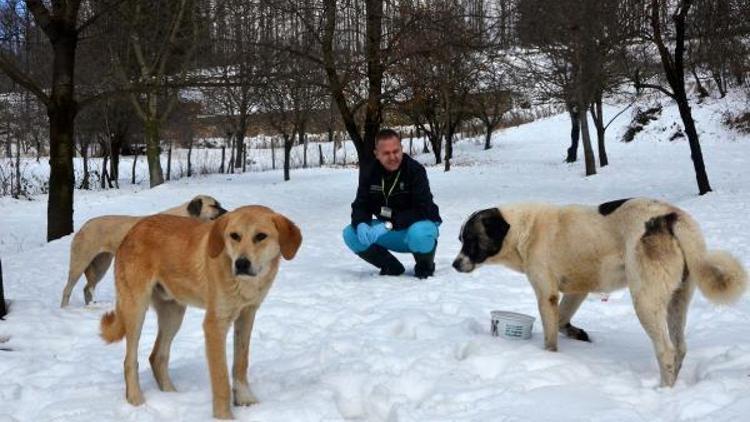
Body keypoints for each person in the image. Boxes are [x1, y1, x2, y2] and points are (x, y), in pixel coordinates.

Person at [342, 128, 441, 278]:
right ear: (377, 154)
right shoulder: (369, 172)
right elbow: (360, 205)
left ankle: (424, 267)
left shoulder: (415, 171)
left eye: (396, 151)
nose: (393, 157)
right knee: (351, 233)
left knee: (419, 233)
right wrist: (361, 223)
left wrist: (389, 225)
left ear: (402, 149)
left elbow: (423, 209)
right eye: (386, 153)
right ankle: (391, 267)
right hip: (390, 232)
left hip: (416, 229)